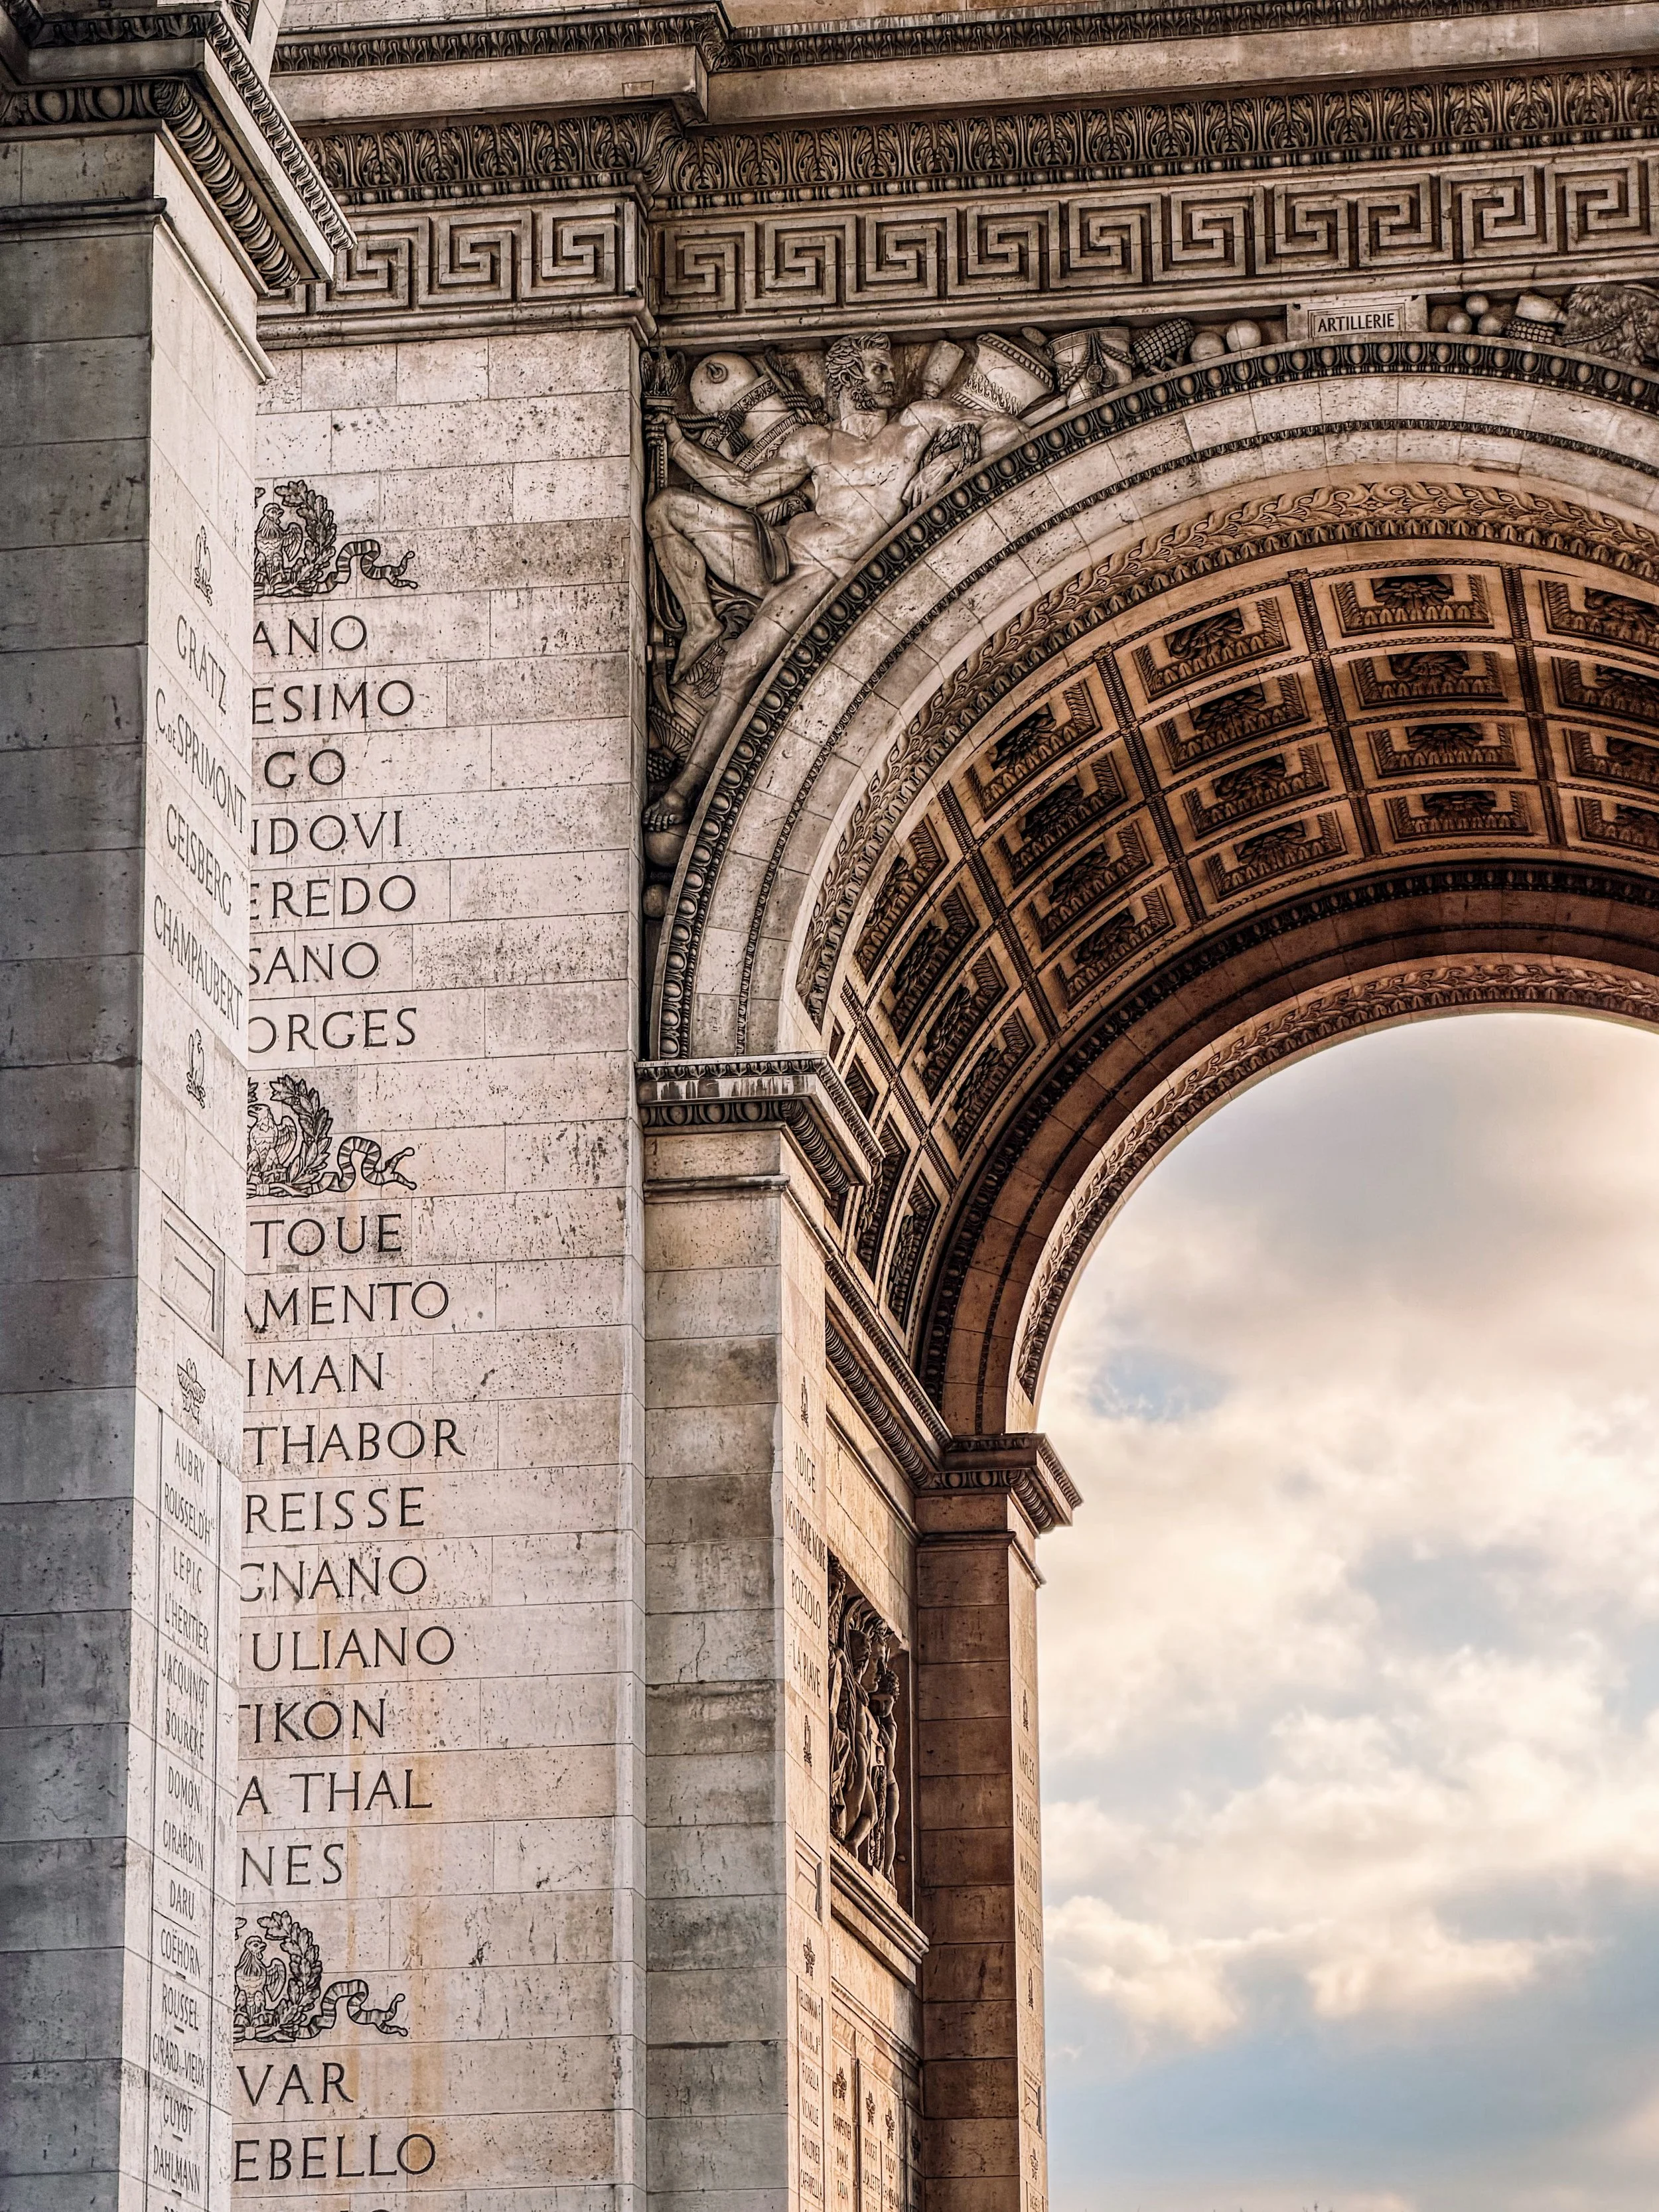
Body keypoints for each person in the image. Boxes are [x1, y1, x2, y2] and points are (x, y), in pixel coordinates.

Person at [644, 332, 1029, 832]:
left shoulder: (917, 422)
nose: (890, 377)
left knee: (741, 665)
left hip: (829, 576)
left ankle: (683, 790)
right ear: (847, 376)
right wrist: (677, 443)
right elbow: (743, 488)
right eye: (877, 367)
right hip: (779, 554)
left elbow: (1009, 430)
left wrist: (948, 461)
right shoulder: (814, 441)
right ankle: (702, 623)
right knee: (667, 508)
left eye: (889, 366)